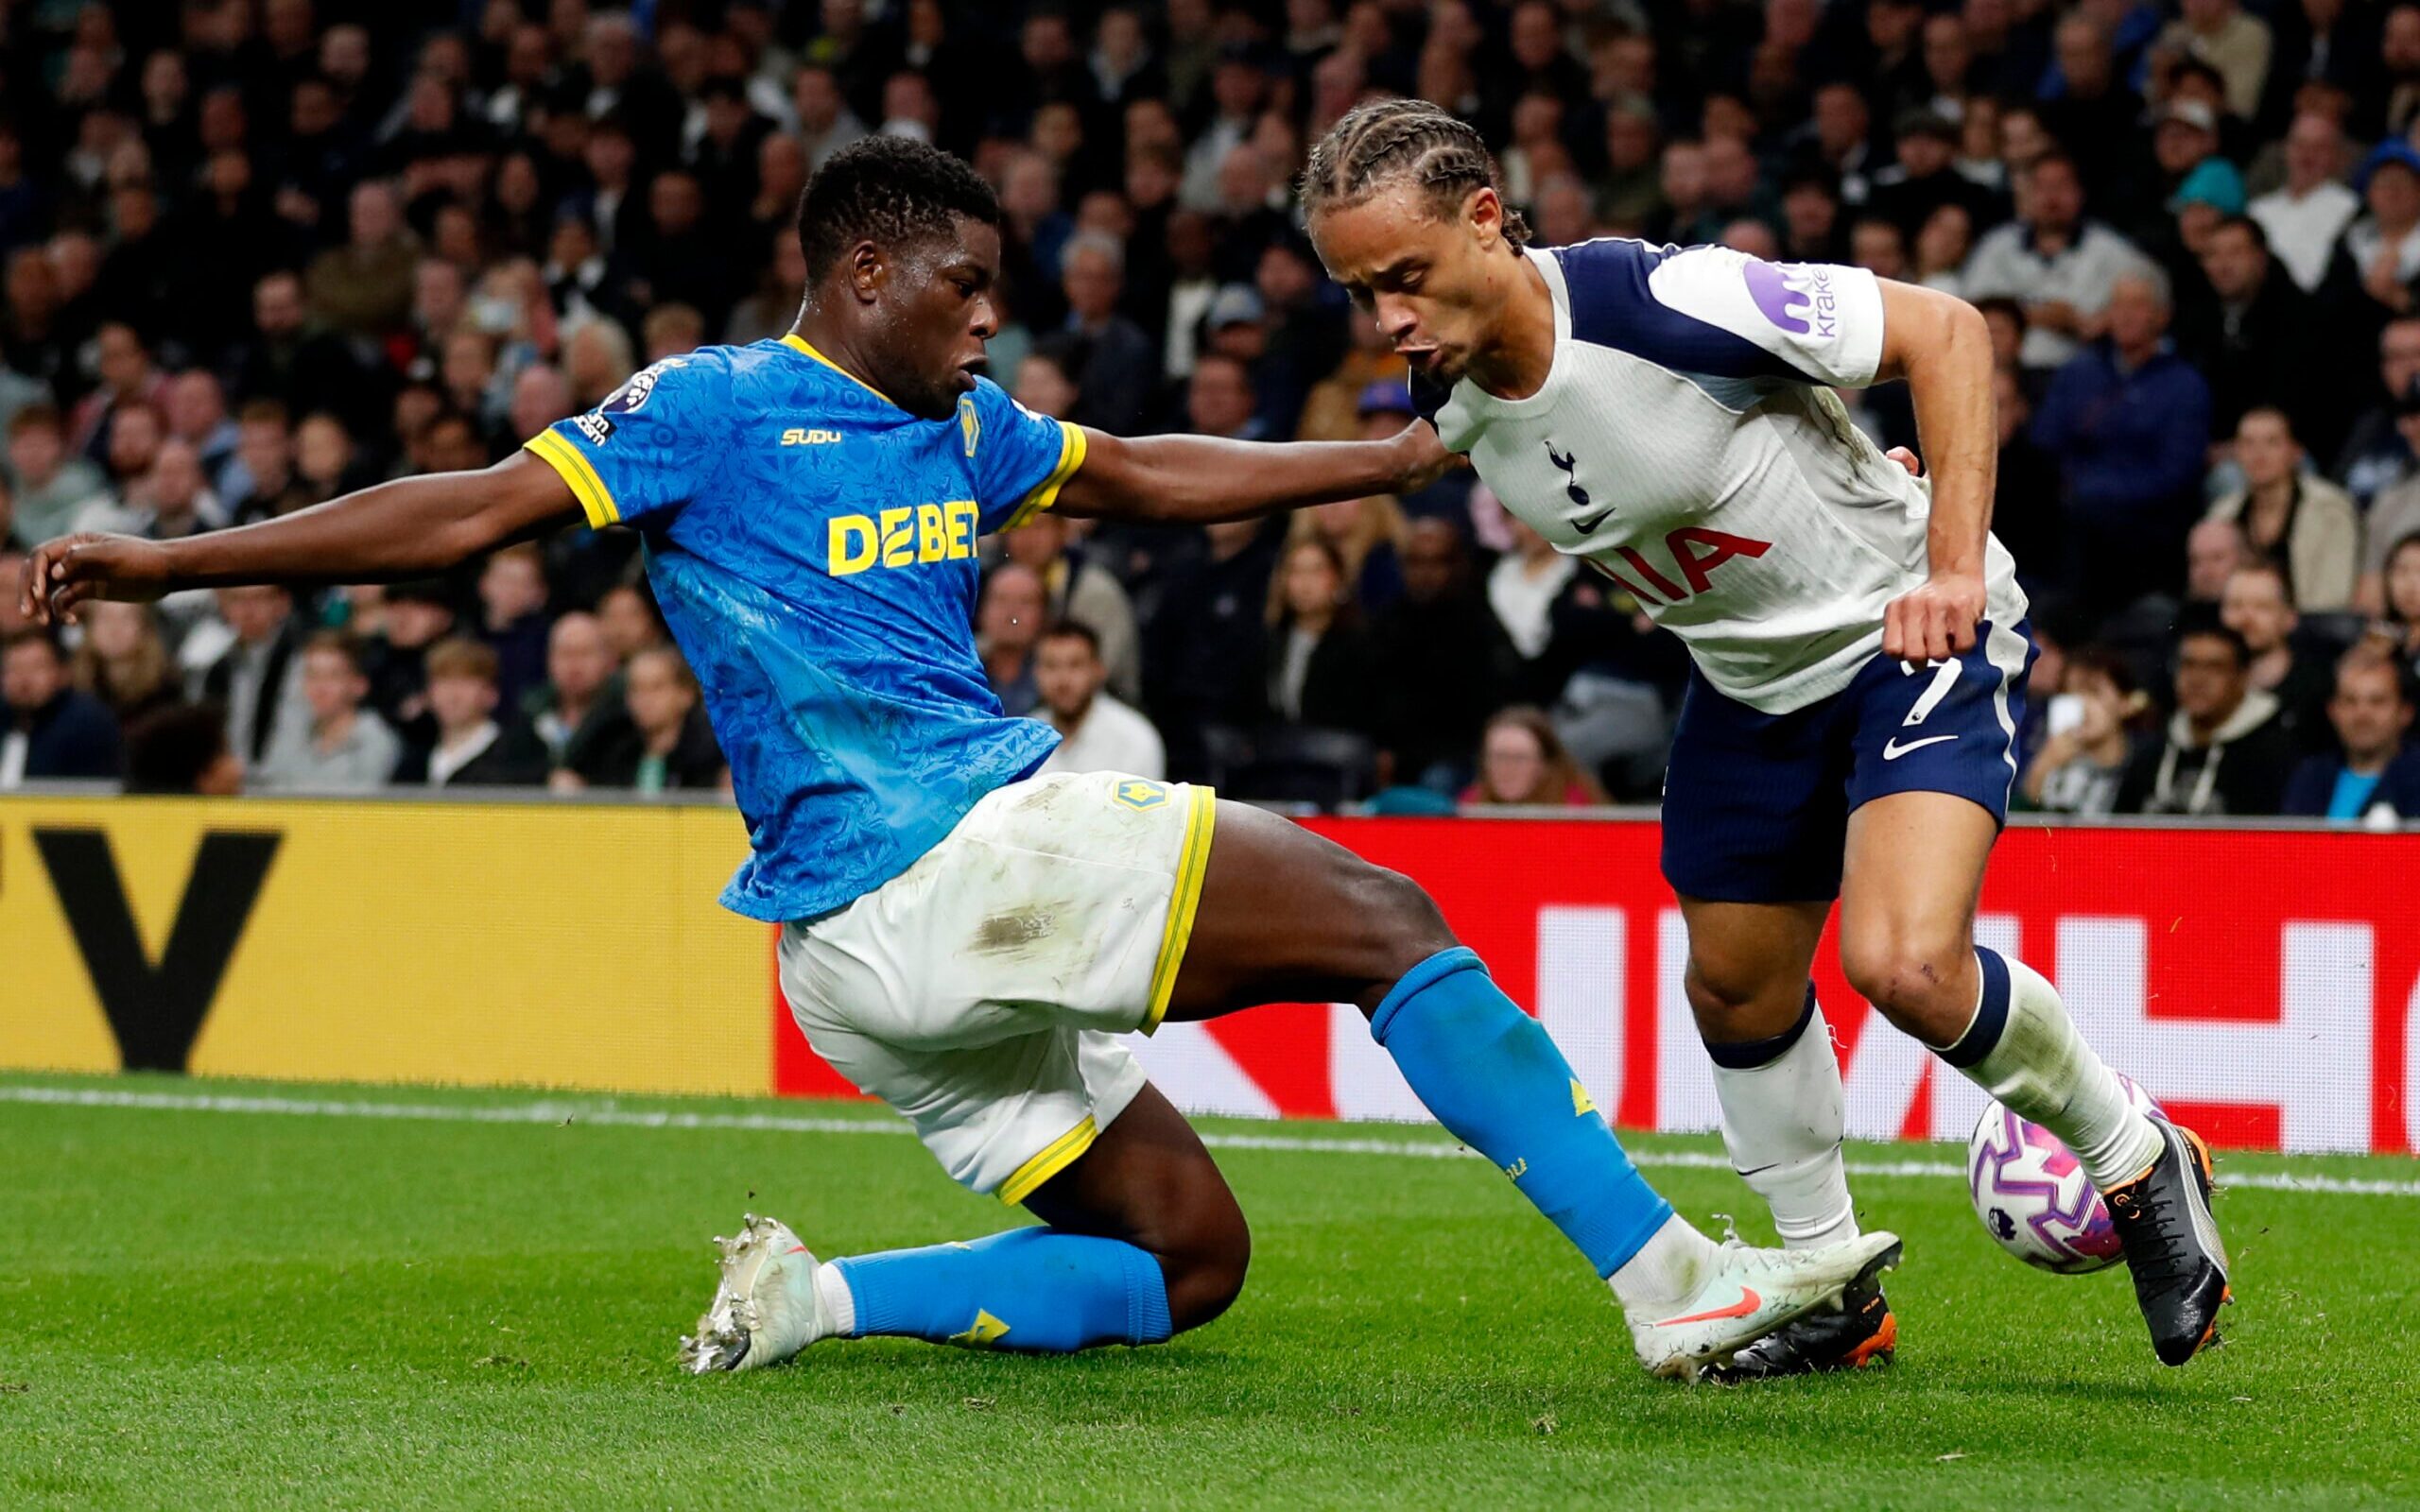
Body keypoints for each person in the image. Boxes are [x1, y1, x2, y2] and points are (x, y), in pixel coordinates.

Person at [20, 135, 1887, 1383]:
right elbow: (459, 518)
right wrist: (165, 556)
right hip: (935, 855)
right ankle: (1676, 1284)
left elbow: (1152, 472)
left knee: (1182, 1260)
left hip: (866, 966)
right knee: (1382, 914)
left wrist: (1393, 461)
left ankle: (812, 1296)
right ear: (862, 270)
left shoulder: (963, 421)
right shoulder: (715, 408)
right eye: (964, 284)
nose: (990, 315)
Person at [1301, 97, 2226, 1375]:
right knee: (1735, 987)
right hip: (1746, 684)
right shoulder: (1444, 387)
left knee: (1902, 962)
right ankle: (1827, 1292)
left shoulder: (1660, 301)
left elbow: (1949, 335)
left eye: (1404, 277)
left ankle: (2135, 1153)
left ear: (1486, 220)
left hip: (1901, 637)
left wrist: (1949, 569)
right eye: (1362, 292)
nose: (1390, 315)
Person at [2117, 621, 2295, 815]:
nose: (2198, 680)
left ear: (2242, 677)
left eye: (2214, 667)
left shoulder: (2275, 756)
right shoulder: (2152, 753)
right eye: (2188, 665)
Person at [2203, 407, 2360, 612]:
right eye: (2248, 443)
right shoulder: (2222, 514)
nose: (2259, 454)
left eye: (2272, 442)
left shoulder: (2331, 510)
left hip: (2308, 628)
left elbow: (2332, 598)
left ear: (2296, 452)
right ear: (2236, 451)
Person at [559, 645, 726, 794]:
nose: (645, 699)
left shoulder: (713, 756)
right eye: (636, 689)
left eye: (656, 687)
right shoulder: (613, 750)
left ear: (686, 694)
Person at [252, 632, 403, 793]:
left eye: (333, 676)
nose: (319, 688)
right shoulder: (292, 734)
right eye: (312, 675)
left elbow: (359, 808)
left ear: (359, 685)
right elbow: (268, 791)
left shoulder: (377, 741)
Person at [2281, 647, 2420, 820]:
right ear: (2332, 711)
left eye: (2377, 701)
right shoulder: (2310, 776)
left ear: (2405, 712)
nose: (2362, 714)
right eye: (2349, 701)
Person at [393, 637, 546, 787]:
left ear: (491, 693)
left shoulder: (518, 757)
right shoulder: (414, 761)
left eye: (465, 682)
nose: (452, 694)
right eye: (443, 681)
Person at [2018, 646, 2148, 816]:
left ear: (2126, 703)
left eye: (2094, 692)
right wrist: (2041, 770)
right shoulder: (2049, 761)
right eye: (2071, 693)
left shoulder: (2146, 766)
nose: (2082, 704)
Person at [2220, 558, 2333, 750]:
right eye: (2235, 606)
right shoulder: (2202, 683)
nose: (2246, 618)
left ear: (2290, 617)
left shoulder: (2318, 686)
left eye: (2262, 607)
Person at [1032, 620, 1165, 779]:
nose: (1063, 680)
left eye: (1075, 665)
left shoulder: (1135, 739)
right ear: (1036, 673)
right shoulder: (1023, 739)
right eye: (1051, 666)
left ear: (1098, 670)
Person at [1, 627, 121, 785]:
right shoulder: (5, 718)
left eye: (36, 668)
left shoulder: (88, 724)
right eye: (14, 669)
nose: (23, 680)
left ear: (63, 673)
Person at [1461, 705, 1604, 806]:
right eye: (1498, 757)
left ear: (1545, 764)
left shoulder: (1578, 814)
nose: (1507, 768)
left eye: (1519, 758)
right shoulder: (1470, 806)